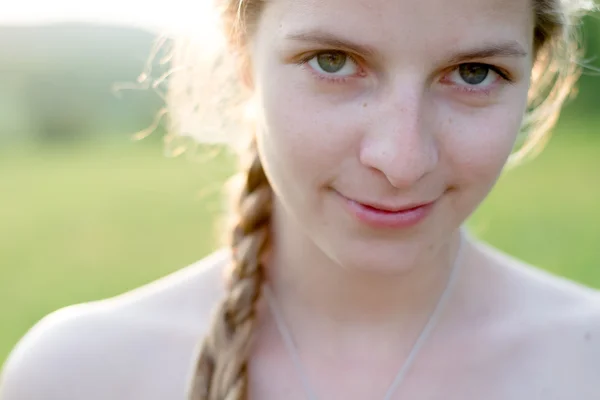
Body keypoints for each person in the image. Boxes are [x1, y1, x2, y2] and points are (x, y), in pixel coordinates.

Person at [1, 0, 599, 398]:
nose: (401, 160)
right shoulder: (75, 378)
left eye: (473, 72)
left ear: (535, 77)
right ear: (242, 60)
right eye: (333, 61)